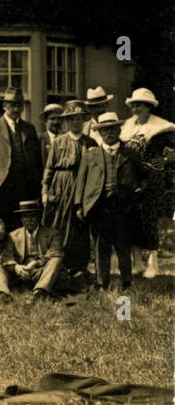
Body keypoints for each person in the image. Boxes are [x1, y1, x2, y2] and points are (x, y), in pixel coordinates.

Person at [74, 112, 148, 290]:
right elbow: (80, 183)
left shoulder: (130, 153)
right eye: (105, 130)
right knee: (101, 246)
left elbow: (145, 177)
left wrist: (139, 190)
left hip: (124, 207)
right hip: (99, 207)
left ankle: (127, 281)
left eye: (113, 129)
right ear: (99, 133)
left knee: (123, 245)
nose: (110, 133)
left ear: (119, 129)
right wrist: (78, 206)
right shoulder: (90, 155)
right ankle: (102, 282)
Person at [119, 87, 174, 279]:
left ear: (149, 107)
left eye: (140, 106)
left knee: (149, 219)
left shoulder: (161, 128)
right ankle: (137, 262)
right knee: (132, 219)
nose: (136, 109)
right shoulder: (127, 127)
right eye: (134, 106)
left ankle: (152, 264)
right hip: (131, 178)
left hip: (151, 178)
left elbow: (172, 151)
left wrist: (166, 160)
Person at [41, 100, 94, 279]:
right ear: (67, 122)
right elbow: (49, 168)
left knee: (80, 226)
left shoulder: (90, 142)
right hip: (60, 184)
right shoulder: (59, 142)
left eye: (79, 119)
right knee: (58, 225)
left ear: (84, 121)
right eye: (72, 119)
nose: (76, 123)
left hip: (82, 186)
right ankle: (58, 266)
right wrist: (45, 190)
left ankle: (79, 266)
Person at [0, 86, 42, 232]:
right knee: (1, 224)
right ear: (5, 106)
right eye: (12, 105)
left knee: (22, 224)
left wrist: (38, 185)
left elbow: (37, 161)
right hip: (0, 186)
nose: (16, 109)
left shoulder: (29, 128)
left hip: (24, 185)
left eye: (19, 106)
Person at [0, 200, 63, 300]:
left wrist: (36, 263)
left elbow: (55, 252)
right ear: (21, 219)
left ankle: (40, 291)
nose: (29, 220)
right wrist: (16, 268)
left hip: (41, 272)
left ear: (38, 217)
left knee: (56, 260)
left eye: (33, 216)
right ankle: (2, 294)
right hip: (21, 273)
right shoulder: (13, 235)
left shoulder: (52, 233)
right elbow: (6, 256)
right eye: (25, 217)